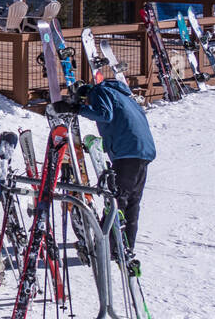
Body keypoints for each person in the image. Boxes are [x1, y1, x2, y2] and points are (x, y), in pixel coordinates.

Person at [53, 76, 155, 271]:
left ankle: (106, 246)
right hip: (143, 151)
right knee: (131, 201)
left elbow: (104, 114)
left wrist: (76, 109)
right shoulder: (123, 95)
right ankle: (124, 247)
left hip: (127, 151)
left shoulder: (99, 92)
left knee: (117, 201)